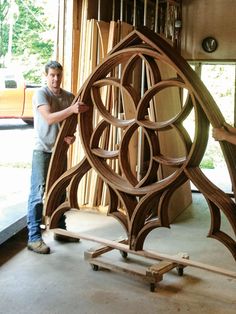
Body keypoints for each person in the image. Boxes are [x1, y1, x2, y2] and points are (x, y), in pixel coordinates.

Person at [27, 60, 89, 254]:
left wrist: (71, 135)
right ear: (46, 76)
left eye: (58, 75)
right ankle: (34, 237)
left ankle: (59, 229)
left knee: (60, 189)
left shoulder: (69, 96)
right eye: (52, 75)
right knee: (38, 193)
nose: (55, 79)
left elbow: (72, 122)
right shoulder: (41, 94)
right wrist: (71, 109)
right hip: (43, 150)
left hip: (60, 150)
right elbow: (49, 118)